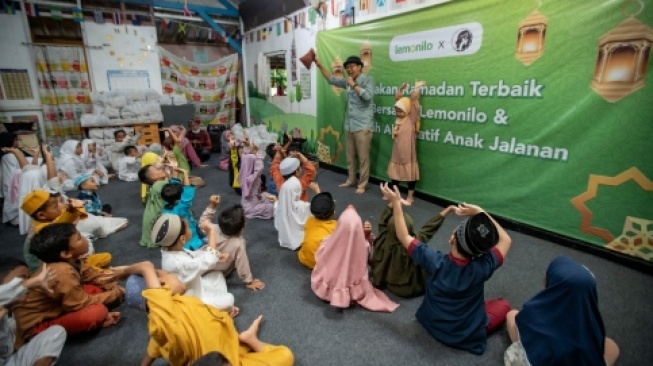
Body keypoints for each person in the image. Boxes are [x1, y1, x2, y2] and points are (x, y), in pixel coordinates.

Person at [380, 183, 512, 355]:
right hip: (466, 334)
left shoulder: (434, 260)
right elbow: (506, 240)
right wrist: (481, 212)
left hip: (430, 322)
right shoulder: (482, 267)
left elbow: (403, 236)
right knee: (504, 304)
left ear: (452, 239)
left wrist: (397, 204)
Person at [115, 261, 293, 366]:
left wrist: (220, 319)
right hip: (225, 359)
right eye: (168, 274)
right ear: (160, 286)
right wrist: (126, 271)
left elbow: (154, 348)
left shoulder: (164, 323)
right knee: (285, 356)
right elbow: (147, 267)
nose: (174, 276)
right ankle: (251, 340)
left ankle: (247, 340)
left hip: (227, 344)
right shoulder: (163, 316)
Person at [13, 223, 124, 349]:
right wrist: (114, 294)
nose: (84, 238)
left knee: (96, 288)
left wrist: (123, 274)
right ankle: (48, 336)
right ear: (65, 253)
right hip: (36, 327)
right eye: (79, 238)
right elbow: (79, 303)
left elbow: (94, 275)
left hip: (57, 306)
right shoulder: (62, 272)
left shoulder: (71, 261)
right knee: (98, 312)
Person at [504, 256, 620, 366]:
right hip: (578, 355)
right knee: (612, 347)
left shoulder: (534, 313)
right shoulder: (590, 321)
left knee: (512, 315)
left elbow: (520, 321)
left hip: (540, 357)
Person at [311, 205, 399, 312]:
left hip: (329, 280)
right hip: (351, 282)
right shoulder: (363, 246)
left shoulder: (329, 241)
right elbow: (367, 252)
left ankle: (331, 293)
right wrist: (366, 236)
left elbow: (321, 253)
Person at [152, 212, 238, 317]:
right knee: (229, 299)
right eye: (189, 228)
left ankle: (216, 308)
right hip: (192, 299)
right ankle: (214, 315)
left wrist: (218, 255)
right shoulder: (178, 263)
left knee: (217, 275)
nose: (190, 229)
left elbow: (194, 255)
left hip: (196, 286)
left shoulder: (169, 249)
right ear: (182, 239)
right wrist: (211, 232)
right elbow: (208, 260)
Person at [315, 55, 374, 194]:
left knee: (363, 157)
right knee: (350, 155)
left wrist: (353, 84)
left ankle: (362, 184)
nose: (349, 69)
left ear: (360, 66)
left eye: (352, 66)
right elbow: (331, 79)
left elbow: (367, 96)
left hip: (363, 125)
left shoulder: (367, 80)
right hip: (349, 125)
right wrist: (319, 65)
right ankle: (351, 179)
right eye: (347, 68)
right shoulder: (347, 81)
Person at [370, 202, 453, 297]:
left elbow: (383, 221)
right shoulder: (413, 243)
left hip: (387, 281)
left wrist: (393, 203)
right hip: (406, 289)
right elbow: (429, 228)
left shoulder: (383, 236)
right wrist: (446, 211)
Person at [0, 259, 66, 366]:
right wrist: (35, 281)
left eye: (27, 279)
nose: (25, 286)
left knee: (56, 332)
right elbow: (4, 293)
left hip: (8, 361)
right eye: (20, 279)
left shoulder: (10, 313)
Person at [202, 201, 266, 291]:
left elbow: (203, 221)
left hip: (202, 263)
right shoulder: (239, 243)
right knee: (234, 259)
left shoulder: (213, 228)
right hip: (217, 271)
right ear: (242, 229)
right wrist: (249, 281)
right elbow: (243, 264)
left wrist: (212, 206)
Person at [387, 81, 424, 205]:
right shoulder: (399, 119)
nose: (398, 113)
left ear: (407, 111)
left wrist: (416, 88)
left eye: (401, 111)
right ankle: (394, 195)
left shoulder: (410, 118)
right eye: (396, 111)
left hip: (408, 153)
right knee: (395, 175)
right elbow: (398, 99)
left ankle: (410, 197)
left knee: (409, 175)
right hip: (397, 152)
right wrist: (400, 89)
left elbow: (413, 103)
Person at [138, 152, 182, 248]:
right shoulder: (159, 185)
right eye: (157, 169)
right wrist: (174, 170)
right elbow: (177, 188)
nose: (160, 168)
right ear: (153, 177)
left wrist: (162, 159)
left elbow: (160, 166)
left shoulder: (156, 184)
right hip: (157, 230)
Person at [161, 167, 206, 251]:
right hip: (192, 241)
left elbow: (174, 186)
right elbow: (188, 192)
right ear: (179, 198)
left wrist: (174, 170)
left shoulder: (167, 203)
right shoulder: (182, 207)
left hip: (179, 235)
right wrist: (185, 173)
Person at [275, 171, 320, 250]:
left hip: (284, 240)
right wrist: (317, 192)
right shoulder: (303, 206)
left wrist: (276, 201)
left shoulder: (280, 205)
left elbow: (276, 211)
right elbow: (321, 208)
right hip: (303, 241)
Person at [74, 173, 129, 238]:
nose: (95, 183)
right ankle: (106, 222)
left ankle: (104, 217)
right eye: (92, 181)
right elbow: (89, 211)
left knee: (107, 206)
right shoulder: (85, 197)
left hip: (96, 210)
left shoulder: (91, 192)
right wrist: (102, 213)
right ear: (84, 186)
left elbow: (97, 203)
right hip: (89, 215)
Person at [297, 192, 337, 269]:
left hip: (304, 258)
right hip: (320, 264)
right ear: (333, 213)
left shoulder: (309, 220)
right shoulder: (335, 226)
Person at [238, 152, 275, 220]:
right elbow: (260, 168)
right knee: (271, 207)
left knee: (267, 195)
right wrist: (258, 157)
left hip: (257, 199)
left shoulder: (252, 176)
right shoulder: (250, 178)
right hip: (251, 206)